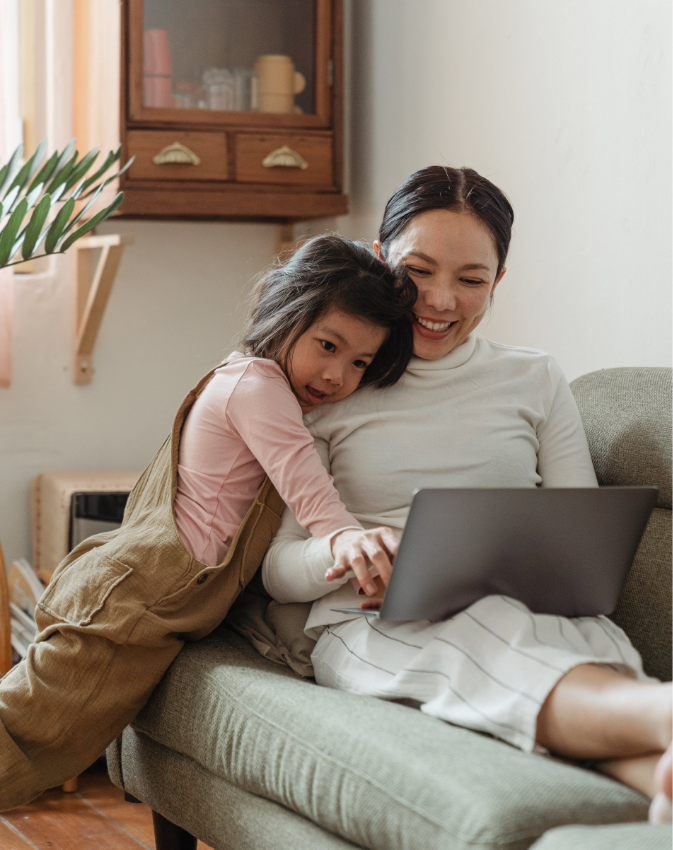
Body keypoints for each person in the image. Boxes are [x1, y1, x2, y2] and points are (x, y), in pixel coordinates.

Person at [261, 167, 673, 824]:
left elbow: (581, 532)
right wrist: (345, 548)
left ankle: (658, 772)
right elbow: (278, 570)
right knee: (491, 633)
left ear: (497, 282)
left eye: (471, 280)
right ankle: (662, 713)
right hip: (376, 621)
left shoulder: (533, 378)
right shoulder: (335, 381)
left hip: (534, 606)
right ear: (378, 257)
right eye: (416, 271)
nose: (439, 300)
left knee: (542, 634)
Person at [0, 235, 416, 811]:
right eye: (327, 345)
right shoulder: (258, 388)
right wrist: (351, 540)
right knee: (27, 731)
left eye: (359, 363)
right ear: (286, 312)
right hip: (137, 600)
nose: (336, 375)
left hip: (151, 603)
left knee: (43, 738)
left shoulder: (248, 380)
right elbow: (310, 491)